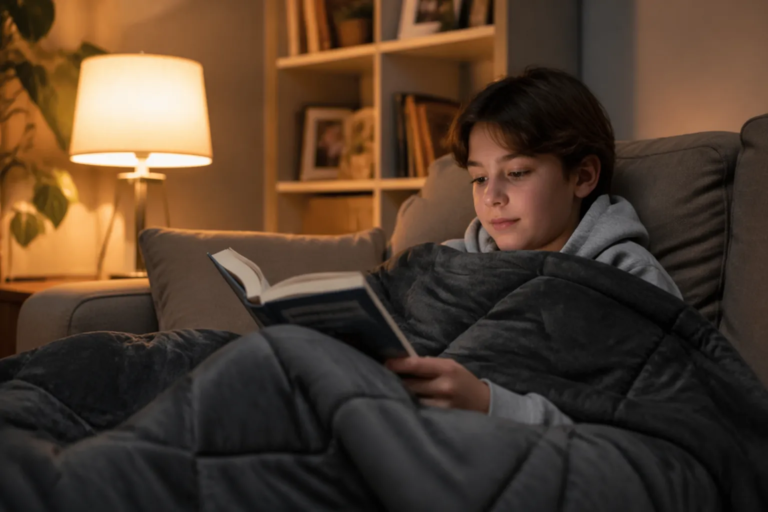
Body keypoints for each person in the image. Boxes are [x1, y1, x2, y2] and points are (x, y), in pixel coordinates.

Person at [385, 67, 682, 426]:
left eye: (517, 173)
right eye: (479, 178)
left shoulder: (630, 278)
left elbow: (653, 424)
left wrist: (488, 404)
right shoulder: (447, 263)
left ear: (583, 176)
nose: (492, 196)